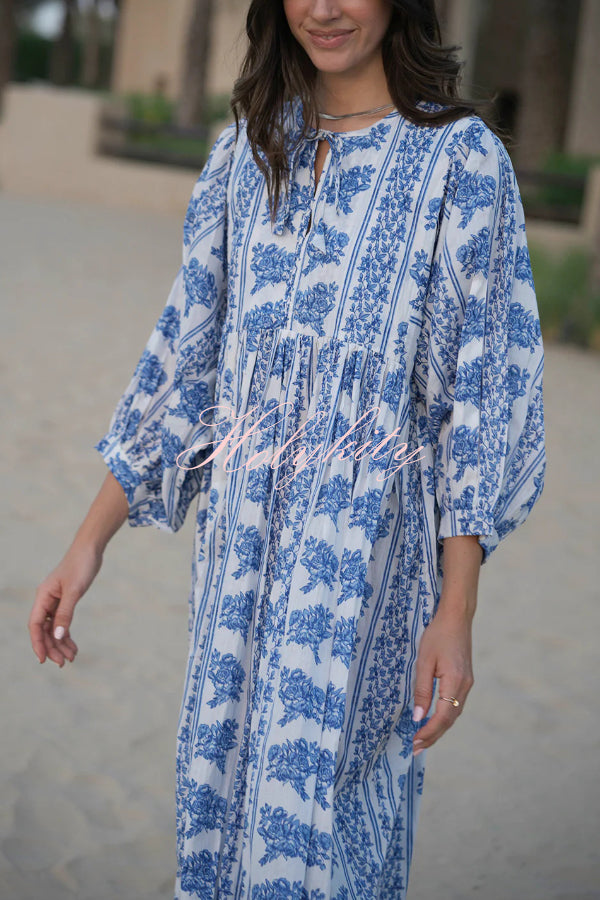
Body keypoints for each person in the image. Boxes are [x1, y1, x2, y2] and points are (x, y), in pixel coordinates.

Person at [28, 0, 547, 897]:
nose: (324, 8)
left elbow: (482, 400)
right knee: (218, 810)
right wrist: (87, 543)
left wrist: (456, 611)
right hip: (236, 568)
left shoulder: (461, 163)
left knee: (327, 845)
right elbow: (186, 360)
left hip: (366, 578)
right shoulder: (246, 151)